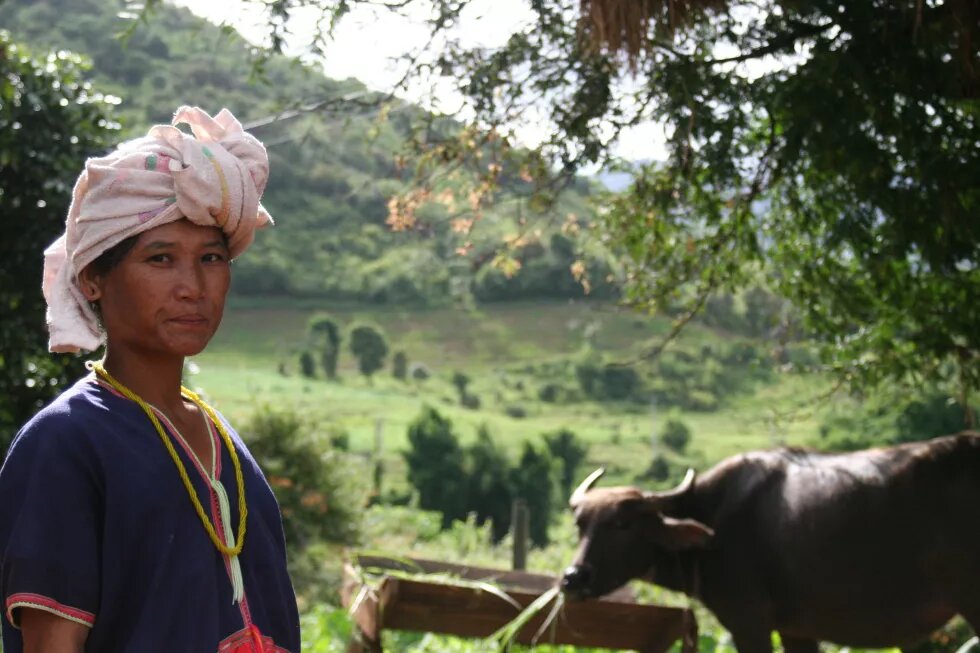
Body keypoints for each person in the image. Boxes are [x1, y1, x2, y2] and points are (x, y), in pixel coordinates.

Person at [0, 107, 301, 653]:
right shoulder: (66, 443)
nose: (193, 286)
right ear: (93, 278)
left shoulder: (221, 441)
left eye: (211, 257)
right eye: (160, 259)